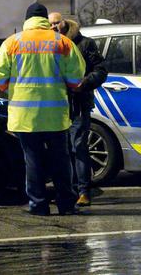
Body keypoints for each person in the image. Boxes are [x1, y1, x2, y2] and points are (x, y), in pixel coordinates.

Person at [0, 3, 86, 216]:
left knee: (32, 160)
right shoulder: (63, 42)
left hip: (25, 116)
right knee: (61, 160)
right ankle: (66, 204)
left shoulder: (12, 42)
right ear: (45, 19)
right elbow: (75, 78)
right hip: (55, 115)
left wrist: (6, 86)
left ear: (27, 20)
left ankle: (38, 205)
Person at [48, 12, 107, 206]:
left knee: (78, 147)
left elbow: (100, 70)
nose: (54, 27)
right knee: (62, 151)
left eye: (57, 22)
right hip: (56, 105)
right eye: (50, 24)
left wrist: (84, 83)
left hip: (79, 103)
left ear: (64, 22)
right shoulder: (49, 44)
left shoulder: (84, 43)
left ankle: (83, 192)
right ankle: (67, 191)